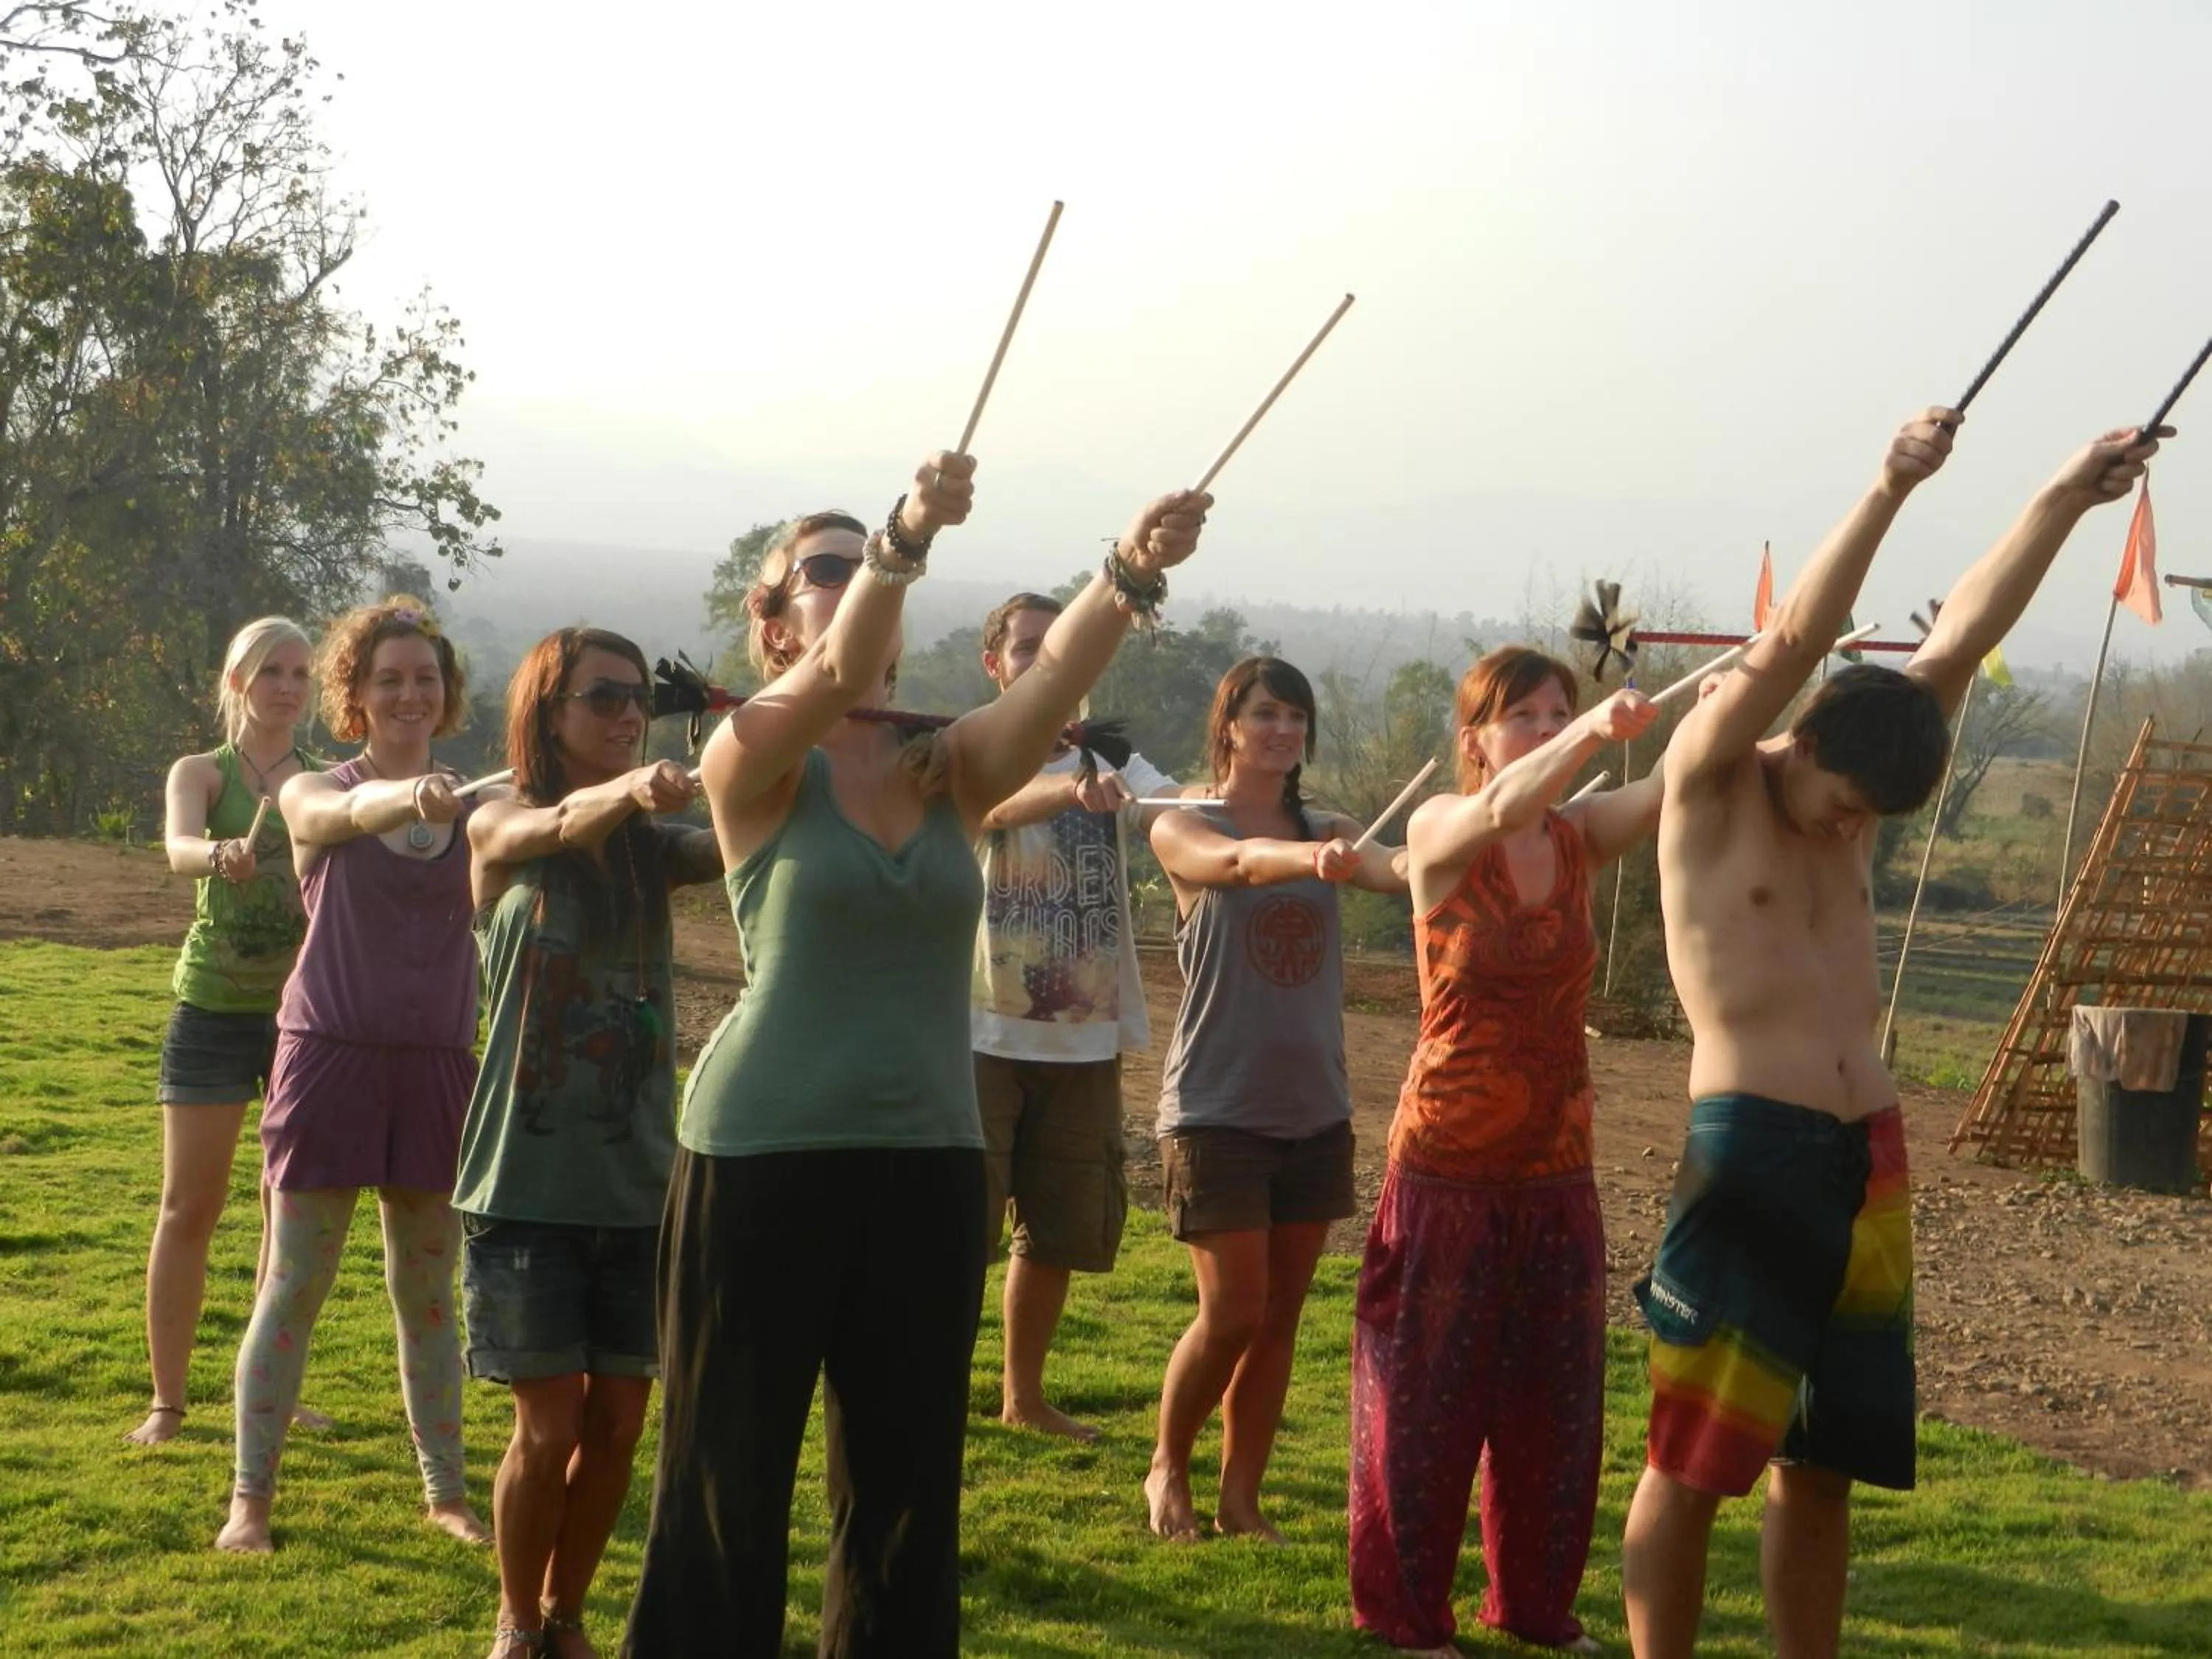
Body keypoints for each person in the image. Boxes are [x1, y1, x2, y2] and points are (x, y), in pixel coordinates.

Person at [625, 456, 1213, 1658]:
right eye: (822, 572)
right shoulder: (752, 756)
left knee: (904, 1503)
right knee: (723, 1483)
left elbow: (1053, 687)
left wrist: (1131, 568)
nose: (846, 591)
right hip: (760, 1160)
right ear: (773, 615)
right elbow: (838, 673)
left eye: (858, 571)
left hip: (929, 1163)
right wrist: (901, 535)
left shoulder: (948, 773)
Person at [1621, 414, 2163, 1658]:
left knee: (1825, 1463)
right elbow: (1798, 638)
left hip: (1868, 1152)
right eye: (1842, 807)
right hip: (1748, 1147)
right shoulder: (1712, 782)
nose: (1844, 830)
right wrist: (1885, 486)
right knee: (1696, 1460)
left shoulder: (1863, 765)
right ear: (1802, 744)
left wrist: (2067, 497)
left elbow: (1965, 632)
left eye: (1871, 820)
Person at [1349, 649, 1663, 1656]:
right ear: (1475, 736)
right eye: (1521, 714)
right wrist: (1587, 736)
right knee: (1427, 1404)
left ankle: (1532, 1604)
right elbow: (1500, 807)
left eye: (1558, 709)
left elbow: (1689, 768)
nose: (1544, 724)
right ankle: (1409, 1613)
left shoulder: (1577, 836)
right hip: (1447, 1163)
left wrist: (1764, 679)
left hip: (1557, 1163)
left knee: (1554, 1405)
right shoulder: (1443, 827)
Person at [459, 628, 724, 1658]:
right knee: (550, 1426)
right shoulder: (499, 822)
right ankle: (516, 1621)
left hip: (642, 1189)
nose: (625, 714)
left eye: (637, 700)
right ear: (547, 709)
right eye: (602, 697)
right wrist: (639, 789)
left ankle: (567, 1617)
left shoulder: (654, 850)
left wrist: (768, 749)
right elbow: (559, 821)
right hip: (524, 1182)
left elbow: (746, 830)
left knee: (618, 1424)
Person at [216, 596, 489, 1555]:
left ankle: (446, 1492)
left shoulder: (480, 804)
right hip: (327, 1058)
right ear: (356, 698)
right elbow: (341, 813)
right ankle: (250, 1499)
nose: (410, 693)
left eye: (425, 678)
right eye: (389, 680)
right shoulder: (307, 789)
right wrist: (406, 799)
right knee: (292, 1283)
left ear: (446, 692)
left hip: (438, 1069)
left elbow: (557, 822)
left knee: (427, 1295)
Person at [1143, 655, 1408, 1544]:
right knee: (1234, 1314)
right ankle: (1167, 1470)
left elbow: (1402, 869)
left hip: (1315, 1113)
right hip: (1216, 1111)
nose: (1282, 731)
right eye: (1265, 714)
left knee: (1281, 1321)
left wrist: (1494, 813)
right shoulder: (1182, 826)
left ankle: (1240, 1499)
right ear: (1228, 726)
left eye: (1296, 716)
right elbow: (1239, 863)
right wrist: (1315, 858)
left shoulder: (1330, 827)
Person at [971, 590, 1190, 1441]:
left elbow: (1179, 808)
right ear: (996, 664)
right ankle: (921, 1391)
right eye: (1026, 648)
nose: (1042, 662)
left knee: (1056, 1232)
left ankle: (1022, 1400)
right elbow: (988, 807)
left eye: (1059, 649)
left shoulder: (1115, 760)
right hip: (980, 1030)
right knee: (959, 1230)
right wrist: (1067, 794)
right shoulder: (977, 747)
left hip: (1085, 1038)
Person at [131, 617, 321, 1447]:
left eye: (300, 673)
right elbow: (176, 845)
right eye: (272, 671)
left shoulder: (321, 781)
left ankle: (272, 1392)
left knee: (288, 1214)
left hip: (301, 1020)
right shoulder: (201, 773)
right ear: (238, 680)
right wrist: (215, 857)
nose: (288, 686)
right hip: (210, 1009)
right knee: (188, 1208)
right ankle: (167, 1404)